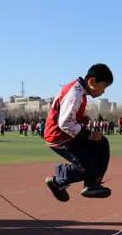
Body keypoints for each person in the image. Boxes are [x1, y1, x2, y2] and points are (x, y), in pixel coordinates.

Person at [43, 64, 113, 201]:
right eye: (103, 86)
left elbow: (69, 114)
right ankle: (57, 181)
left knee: (102, 143)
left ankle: (92, 184)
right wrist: (89, 135)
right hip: (59, 137)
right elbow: (65, 123)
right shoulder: (75, 93)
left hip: (67, 134)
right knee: (87, 167)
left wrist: (83, 119)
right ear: (92, 81)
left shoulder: (80, 90)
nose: (103, 91)